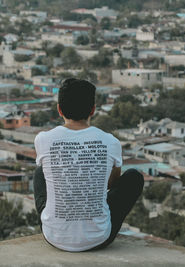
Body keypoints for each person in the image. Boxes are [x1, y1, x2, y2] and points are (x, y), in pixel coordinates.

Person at [33, 78, 144, 252]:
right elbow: (111, 185)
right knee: (134, 177)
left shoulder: (43, 139)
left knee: (40, 172)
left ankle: (56, 222)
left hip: (54, 237)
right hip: (99, 239)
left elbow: (49, 179)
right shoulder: (110, 142)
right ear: (93, 110)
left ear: (59, 110)